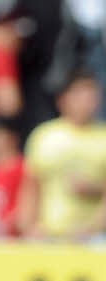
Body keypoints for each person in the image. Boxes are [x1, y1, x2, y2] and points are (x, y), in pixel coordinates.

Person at [18, 69, 106, 241]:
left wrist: (93, 228)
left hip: (96, 238)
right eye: (78, 94)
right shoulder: (44, 135)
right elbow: (31, 185)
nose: (86, 101)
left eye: (91, 94)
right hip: (48, 235)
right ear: (62, 99)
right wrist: (28, 226)